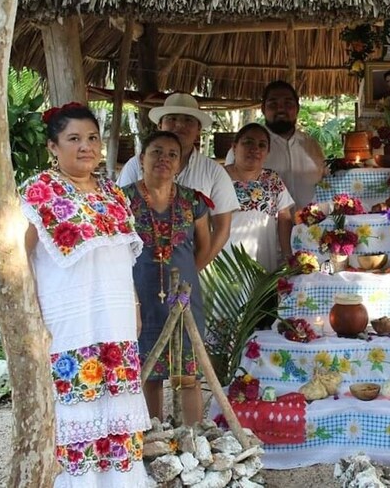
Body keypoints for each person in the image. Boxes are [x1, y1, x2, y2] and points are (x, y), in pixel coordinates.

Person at [20, 102, 150, 485]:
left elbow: (125, 258)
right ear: (52, 147)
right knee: (78, 406)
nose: (86, 147)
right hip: (68, 318)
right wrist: (29, 314)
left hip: (116, 317)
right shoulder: (38, 191)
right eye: (73, 139)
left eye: (92, 138)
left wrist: (136, 305)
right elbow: (19, 254)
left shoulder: (113, 193)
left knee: (118, 409)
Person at [123, 131, 211, 425]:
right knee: (149, 374)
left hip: (185, 297)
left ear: (180, 164)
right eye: (156, 152)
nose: (164, 159)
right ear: (141, 158)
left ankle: (193, 439)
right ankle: (153, 437)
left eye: (172, 154)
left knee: (189, 374)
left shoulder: (192, 201)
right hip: (139, 297)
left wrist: (185, 275)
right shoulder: (122, 201)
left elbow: (204, 245)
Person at [117, 93, 239, 267]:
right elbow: (118, 216)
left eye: (188, 120)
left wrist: (194, 271)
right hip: (137, 270)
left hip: (192, 273)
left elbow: (222, 230)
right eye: (172, 118)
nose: (180, 125)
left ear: (198, 130)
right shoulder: (136, 164)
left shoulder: (214, 172)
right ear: (160, 125)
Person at [226, 80, 325, 210]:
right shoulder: (245, 149)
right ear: (263, 109)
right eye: (273, 104)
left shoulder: (312, 145)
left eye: (288, 103)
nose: (280, 109)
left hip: (311, 227)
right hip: (265, 229)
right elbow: (228, 193)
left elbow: (325, 184)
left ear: (297, 108)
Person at [226, 123, 295, 271]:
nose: (255, 149)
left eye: (262, 145)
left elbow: (284, 218)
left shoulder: (272, 179)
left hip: (263, 260)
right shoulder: (217, 178)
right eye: (248, 142)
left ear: (267, 152)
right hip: (224, 262)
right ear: (234, 147)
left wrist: (288, 257)